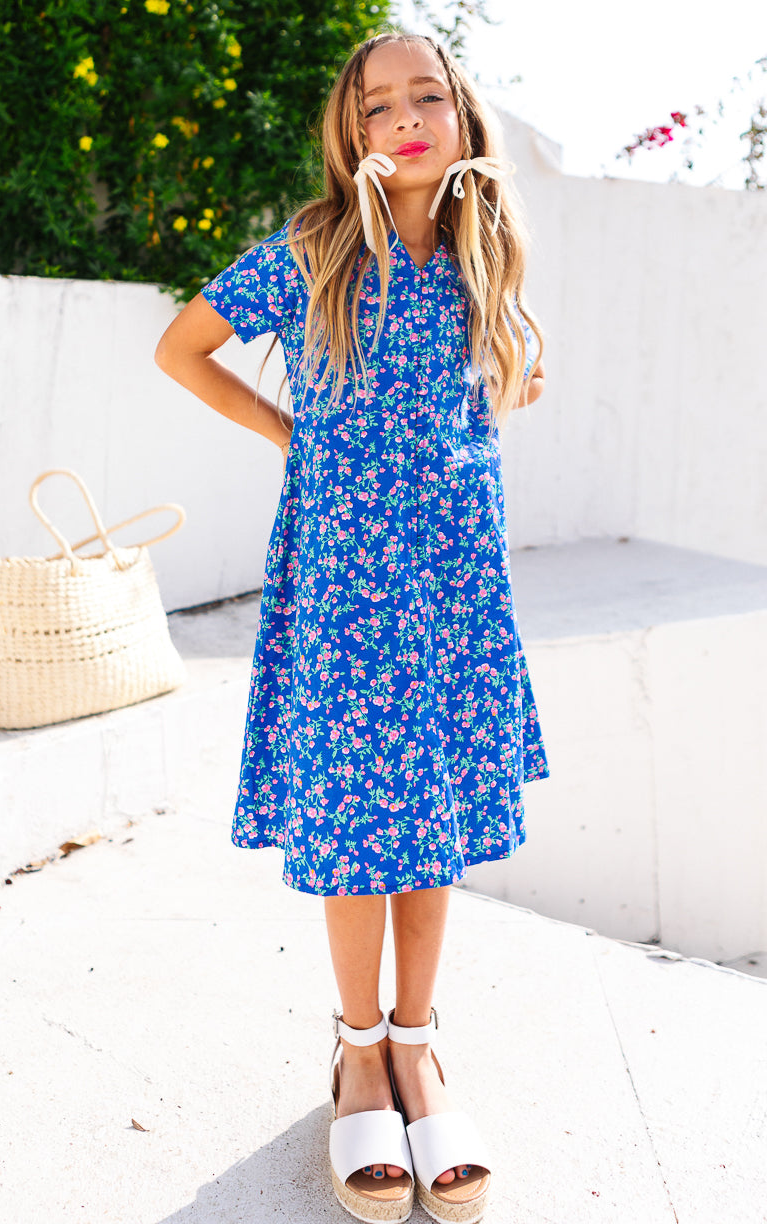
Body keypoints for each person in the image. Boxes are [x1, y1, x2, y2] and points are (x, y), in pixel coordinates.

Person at [155, 29, 549, 1224]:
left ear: (463, 117)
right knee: (356, 813)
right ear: (353, 131)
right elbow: (183, 349)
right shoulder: (321, 248)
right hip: (343, 583)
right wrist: (293, 439)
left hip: (451, 582)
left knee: (425, 818)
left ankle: (419, 1050)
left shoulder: (486, 255)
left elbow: (511, 379)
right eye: (380, 104)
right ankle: (359, 1050)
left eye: (429, 95)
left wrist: (508, 381)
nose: (406, 117)